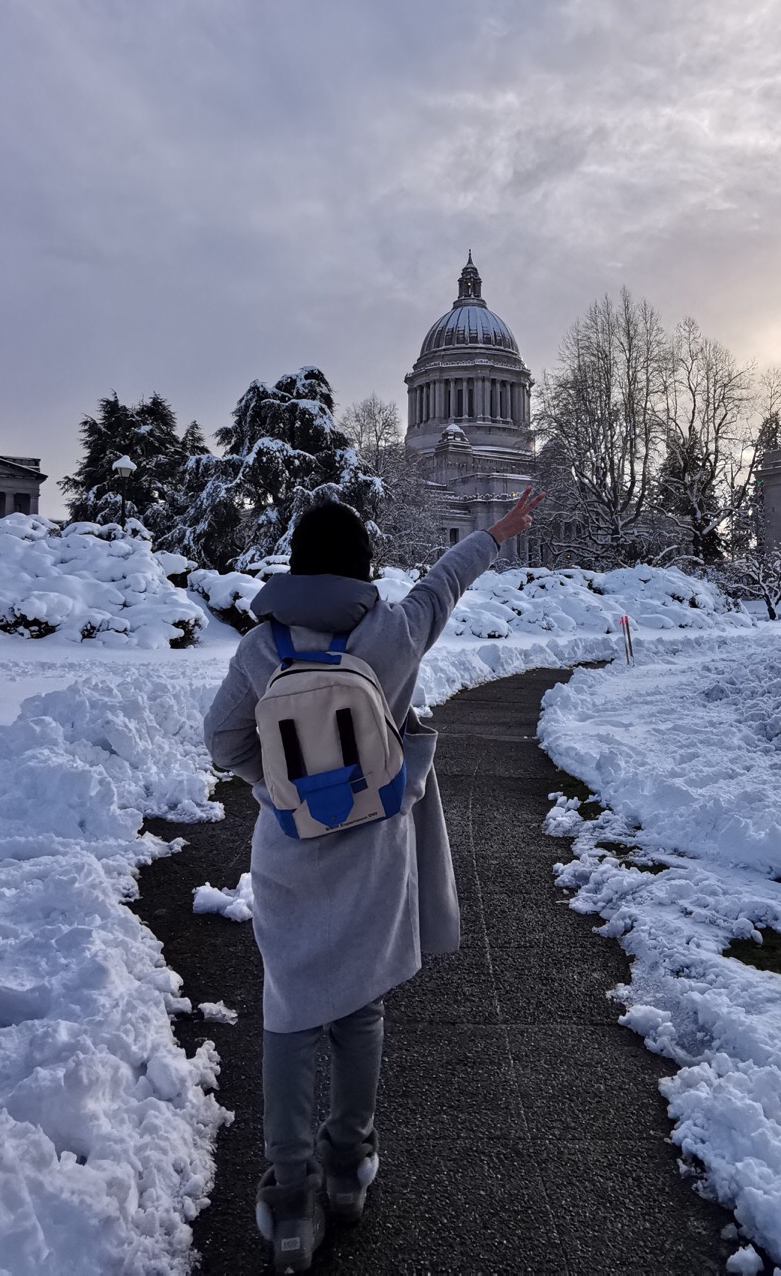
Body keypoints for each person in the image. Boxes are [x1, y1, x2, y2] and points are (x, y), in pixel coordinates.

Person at [202, 487, 544, 1272]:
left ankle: (290, 1201)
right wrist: (494, 531)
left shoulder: (262, 648)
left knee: (289, 1016)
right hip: (374, 854)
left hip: (289, 855)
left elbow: (223, 740)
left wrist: (280, 789)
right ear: (360, 567)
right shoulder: (391, 635)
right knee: (360, 1011)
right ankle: (349, 1169)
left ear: (295, 566)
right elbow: (442, 583)